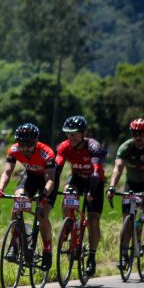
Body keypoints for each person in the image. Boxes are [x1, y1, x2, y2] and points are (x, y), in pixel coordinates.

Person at [0, 123, 57, 268]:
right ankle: (14, 244)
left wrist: (44, 195)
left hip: (47, 181)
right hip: (30, 177)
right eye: (22, 145)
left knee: (42, 214)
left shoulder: (46, 153)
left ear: (36, 142)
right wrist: (0, 189)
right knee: (18, 202)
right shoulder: (14, 150)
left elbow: (51, 180)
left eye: (28, 145)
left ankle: (47, 249)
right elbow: (7, 172)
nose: (25, 149)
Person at [55, 115, 105, 276]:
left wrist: (90, 192)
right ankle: (69, 225)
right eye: (68, 133)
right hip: (77, 178)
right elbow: (57, 168)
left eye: (74, 133)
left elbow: (96, 171)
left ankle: (91, 256)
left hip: (94, 181)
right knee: (66, 194)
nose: (70, 137)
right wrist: (50, 185)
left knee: (92, 220)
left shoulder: (93, 147)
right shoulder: (64, 146)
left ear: (83, 133)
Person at [106, 118, 144, 267]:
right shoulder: (125, 148)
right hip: (130, 184)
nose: (138, 137)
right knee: (127, 221)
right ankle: (123, 255)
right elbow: (117, 169)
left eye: (142, 134)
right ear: (131, 134)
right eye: (135, 133)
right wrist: (112, 187)